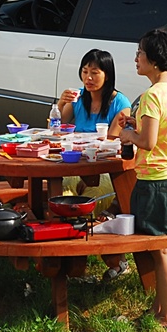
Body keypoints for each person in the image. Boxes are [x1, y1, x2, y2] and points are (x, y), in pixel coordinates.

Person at [117, 29, 167, 330]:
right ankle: (159, 307)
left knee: (162, 249)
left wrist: (127, 134)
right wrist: (140, 125)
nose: (136, 57)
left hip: (157, 181)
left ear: (154, 59)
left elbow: (146, 142)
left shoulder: (151, 95)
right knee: (166, 247)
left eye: (140, 53)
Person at [55, 49, 133, 281]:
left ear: (107, 75)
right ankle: (70, 266)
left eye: (94, 73)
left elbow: (112, 142)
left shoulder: (120, 102)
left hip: (104, 167)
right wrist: (61, 102)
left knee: (91, 199)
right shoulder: (78, 97)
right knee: (62, 196)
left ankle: (105, 261)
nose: (88, 78)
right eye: (84, 71)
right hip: (74, 164)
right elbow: (58, 127)